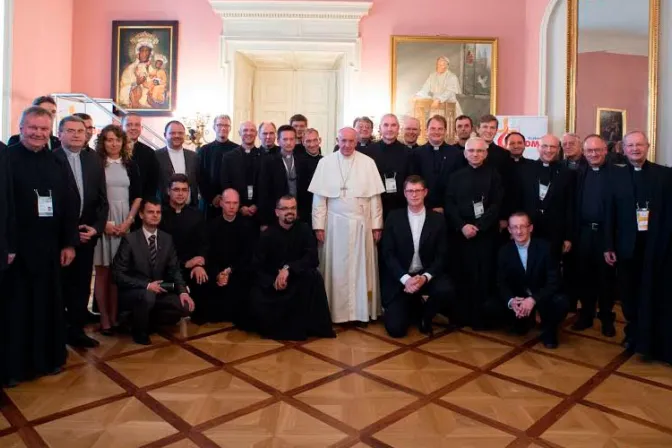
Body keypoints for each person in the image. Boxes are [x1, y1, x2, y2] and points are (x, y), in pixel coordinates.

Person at [1, 106, 79, 387]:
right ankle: (14, 367)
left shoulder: (57, 161)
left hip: (49, 249)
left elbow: (70, 203)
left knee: (48, 306)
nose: (37, 133)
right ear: (21, 128)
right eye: (32, 128)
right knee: (16, 310)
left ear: (50, 132)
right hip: (17, 250)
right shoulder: (7, 159)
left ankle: (48, 359)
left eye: (43, 129)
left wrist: (69, 242)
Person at [310, 127, 385, 324]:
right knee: (336, 270)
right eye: (343, 141)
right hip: (334, 225)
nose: (347, 145)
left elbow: (375, 198)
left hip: (362, 224)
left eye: (351, 141)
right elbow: (319, 199)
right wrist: (319, 226)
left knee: (362, 270)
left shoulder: (368, 163)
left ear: (357, 141)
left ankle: (361, 312)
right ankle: (335, 312)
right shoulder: (325, 163)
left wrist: (377, 225)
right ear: (337, 140)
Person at [603, 131, 668, 351]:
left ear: (647, 146)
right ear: (623, 148)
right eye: (630, 146)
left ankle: (649, 333)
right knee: (628, 292)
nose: (635, 149)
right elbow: (609, 213)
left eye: (639, 145)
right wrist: (608, 245)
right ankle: (632, 332)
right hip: (626, 246)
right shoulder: (615, 175)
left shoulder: (663, 175)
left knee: (651, 289)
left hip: (655, 246)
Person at [54, 116, 109, 348]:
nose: (77, 134)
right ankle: (56, 332)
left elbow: (102, 201)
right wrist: (68, 235)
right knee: (58, 287)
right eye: (70, 130)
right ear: (59, 134)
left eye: (80, 131)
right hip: (58, 238)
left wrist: (95, 228)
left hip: (87, 235)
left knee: (81, 285)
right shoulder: (51, 159)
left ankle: (76, 331)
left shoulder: (94, 159)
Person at [249, 196, 335, 340]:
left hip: (297, 277)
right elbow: (258, 266)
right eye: (285, 209)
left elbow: (312, 257)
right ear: (277, 212)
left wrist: (289, 269)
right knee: (255, 294)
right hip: (274, 283)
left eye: (293, 208)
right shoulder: (268, 234)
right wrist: (274, 280)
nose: (290, 212)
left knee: (314, 277)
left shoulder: (304, 229)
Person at [112, 198, 195, 345]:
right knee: (148, 296)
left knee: (185, 306)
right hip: (135, 290)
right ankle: (139, 331)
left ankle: (148, 322)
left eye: (158, 212)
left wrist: (183, 291)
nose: (155, 215)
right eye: (150, 212)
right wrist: (147, 285)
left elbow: (175, 269)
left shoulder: (166, 239)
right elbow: (118, 274)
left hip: (158, 289)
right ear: (141, 215)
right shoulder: (130, 240)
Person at [381, 175, 454, 337]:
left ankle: (425, 317)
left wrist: (425, 277)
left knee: (447, 289)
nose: (414, 195)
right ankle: (413, 303)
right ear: (404, 193)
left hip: (425, 275)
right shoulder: (393, 217)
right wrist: (406, 279)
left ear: (425, 192)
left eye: (418, 191)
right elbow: (388, 254)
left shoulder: (437, 219)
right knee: (396, 330)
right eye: (410, 191)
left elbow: (442, 255)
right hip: (401, 278)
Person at [445, 137, 503, 329]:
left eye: (479, 151)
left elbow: (496, 204)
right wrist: (462, 226)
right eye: (471, 151)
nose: (475, 154)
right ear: (465, 153)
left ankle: (481, 319)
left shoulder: (494, 175)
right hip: (461, 235)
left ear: (486, 153)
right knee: (461, 275)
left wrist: (479, 226)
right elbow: (450, 204)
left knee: (484, 276)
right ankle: (460, 317)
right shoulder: (455, 176)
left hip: (485, 235)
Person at [490, 212, 569, 348]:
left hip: (541, 295)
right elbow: (501, 282)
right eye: (514, 227)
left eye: (523, 226)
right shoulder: (504, 251)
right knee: (490, 305)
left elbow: (553, 281)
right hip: (519, 297)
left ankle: (549, 329)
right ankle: (523, 321)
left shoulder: (545, 248)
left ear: (530, 228)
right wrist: (512, 301)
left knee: (561, 302)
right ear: (509, 230)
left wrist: (533, 299)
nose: (519, 231)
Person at [93, 125, 143, 335]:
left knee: (119, 274)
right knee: (103, 273)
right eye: (109, 140)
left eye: (117, 140)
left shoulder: (130, 164)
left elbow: (138, 196)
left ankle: (115, 317)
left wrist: (128, 222)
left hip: (125, 219)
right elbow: (91, 196)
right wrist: (103, 224)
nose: (114, 144)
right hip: (103, 219)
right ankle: (104, 319)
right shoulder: (95, 164)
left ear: (123, 142)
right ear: (102, 143)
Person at [570, 135, 616, 336]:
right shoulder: (578, 173)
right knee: (583, 277)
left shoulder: (617, 174)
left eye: (597, 150)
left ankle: (606, 318)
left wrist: (611, 243)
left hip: (606, 234)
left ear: (605, 150)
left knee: (606, 279)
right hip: (584, 233)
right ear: (584, 152)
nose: (593, 154)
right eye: (589, 151)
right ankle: (586, 315)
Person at [203, 188, 259, 325]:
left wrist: (230, 270)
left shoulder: (248, 226)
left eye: (235, 203)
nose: (232, 206)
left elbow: (248, 255)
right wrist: (218, 274)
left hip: (238, 272)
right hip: (216, 272)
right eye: (228, 202)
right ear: (221, 203)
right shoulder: (211, 226)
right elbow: (208, 254)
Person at [517, 134, 575, 259]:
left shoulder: (567, 173)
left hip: (555, 233)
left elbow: (570, 207)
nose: (549, 150)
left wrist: (568, 236)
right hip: (528, 230)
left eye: (553, 147)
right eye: (545, 146)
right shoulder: (525, 170)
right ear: (537, 148)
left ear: (559, 149)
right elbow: (518, 200)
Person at [159, 174, 208, 314]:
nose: (181, 194)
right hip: (167, 273)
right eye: (176, 190)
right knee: (175, 308)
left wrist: (198, 264)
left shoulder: (196, 215)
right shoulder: (159, 215)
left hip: (191, 268)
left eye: (184, 190)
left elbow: (203, 243)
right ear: (168, 191)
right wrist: (184, 264)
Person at [359, 114, 414, 218]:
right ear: (380, 128)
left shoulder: (408, 153)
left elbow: (411, 181)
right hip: (374, 207)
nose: (389, 129)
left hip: (400, 207)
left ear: (398, 128)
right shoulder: (368, 152)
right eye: (386, 125)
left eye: (393, 125)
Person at [258, 125, 307, 228]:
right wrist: (264, 221)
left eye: (291, 139)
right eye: (285, 139)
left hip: (298, 216)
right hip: (275, 217)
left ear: (295, 141)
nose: (288, 142)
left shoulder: (302, 161)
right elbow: (263, 192)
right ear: (278, 141)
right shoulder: (269, 162)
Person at [413, 115, 461, 213]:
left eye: (440, 129)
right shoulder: (416, 153)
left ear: (445, 131)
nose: (436, 132)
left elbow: (458, 184)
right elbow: (414, 182)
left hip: (450, 210)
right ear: (427, 131)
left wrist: (446, 206)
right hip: (422, 208)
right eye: (433, 128)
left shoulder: (456, 154)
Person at [197, 114, 238, 220]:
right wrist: (212, 198)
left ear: (230, 128)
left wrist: (228, 198)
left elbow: (239, 177)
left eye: (226, 125)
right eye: (219, 125)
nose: (223, 128)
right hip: (210, 202)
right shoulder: (204, 150)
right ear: (214, 127)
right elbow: (201, 176)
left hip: (231, 202)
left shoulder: (237, 150)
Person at [220, 121, 262, 222]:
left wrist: (257, 205)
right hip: (235, 211)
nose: (249, 133)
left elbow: (267, 185)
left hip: (258, 211)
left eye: (252, 130)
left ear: (256, 133)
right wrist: (240, 206)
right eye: (245, 130)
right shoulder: (229, 157)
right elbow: (225, 183)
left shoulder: (264, 157)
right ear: (239, 133)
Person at [156, 121, 199, 206]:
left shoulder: (194, 156)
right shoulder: (155, 156)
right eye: (172, 133)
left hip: (190, 209)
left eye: (180, 133)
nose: (177, 136)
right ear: (165, 135)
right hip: (164, 210)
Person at [122, 113, 160, 202]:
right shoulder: (114, 150)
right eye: (129, 125)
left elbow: (152, 183)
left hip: (142, 205)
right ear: (121, 127)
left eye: (137, 125)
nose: (133, 128)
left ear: (141, 128)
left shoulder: (149, 153)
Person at [298, 128, 323, 226]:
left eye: (314, 140)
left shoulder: (325, 161)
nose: (312, 144)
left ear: (319, 140)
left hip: (321, 208)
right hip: (303, 210)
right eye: (308, 141)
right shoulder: (297, 161)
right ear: (303, 142)